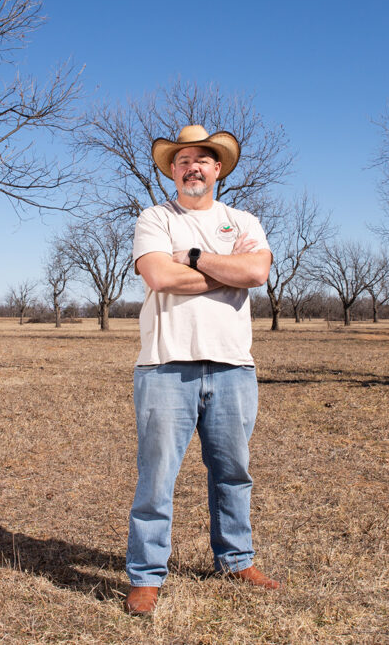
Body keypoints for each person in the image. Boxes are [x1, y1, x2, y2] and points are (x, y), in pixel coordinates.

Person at [124, 124, 280, 616]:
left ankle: (236, 560)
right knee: (156, 478)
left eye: (202, 160)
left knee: (233, 472)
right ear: (173, 170)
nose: (193, 167)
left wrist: (193, 258)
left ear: (218, 169)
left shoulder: (242, 220)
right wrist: (226, 272)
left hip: (233, 365)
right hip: (165, 365)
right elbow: (158, 275)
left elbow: (257, 272)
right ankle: (146, 576)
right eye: (183, 160)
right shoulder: (155, 218)